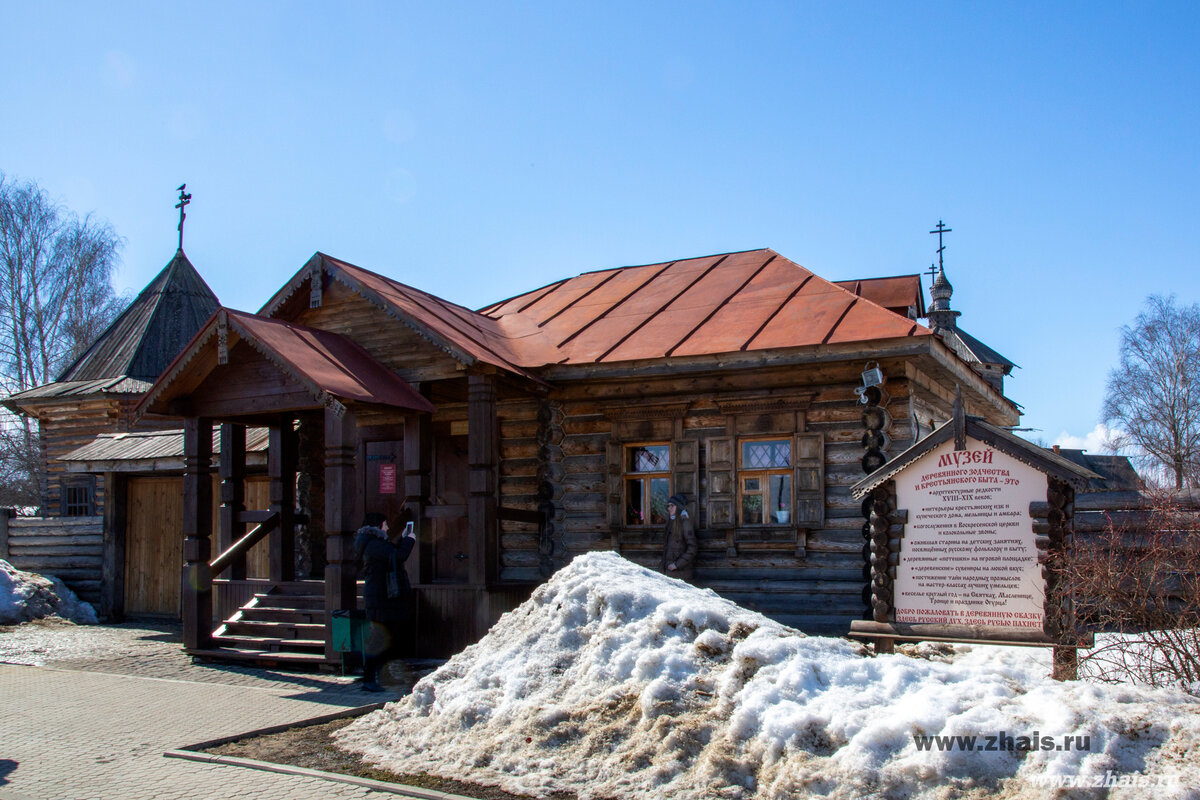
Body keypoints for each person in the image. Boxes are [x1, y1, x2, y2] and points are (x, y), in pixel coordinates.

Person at [354, 511, 416, 692]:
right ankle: (369, 679)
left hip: (381, 598)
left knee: (385, 639)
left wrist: (403, 540)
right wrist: (410, 539)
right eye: (385, 524)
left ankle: (380, 677)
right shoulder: (373, 544)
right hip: (380, 598)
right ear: (378, 526)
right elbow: (398, 556)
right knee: (378, 641)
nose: (388, 527)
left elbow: (391, 554)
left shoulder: (373, 543)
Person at [662, 494, 697, 581]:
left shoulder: (685, 523)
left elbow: (692, 548)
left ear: (678, 507)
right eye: (668, 506)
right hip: (670, 572)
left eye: (672, 506)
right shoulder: (671, 522)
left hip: (681, 573)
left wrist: (677, 565)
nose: (669, 508)